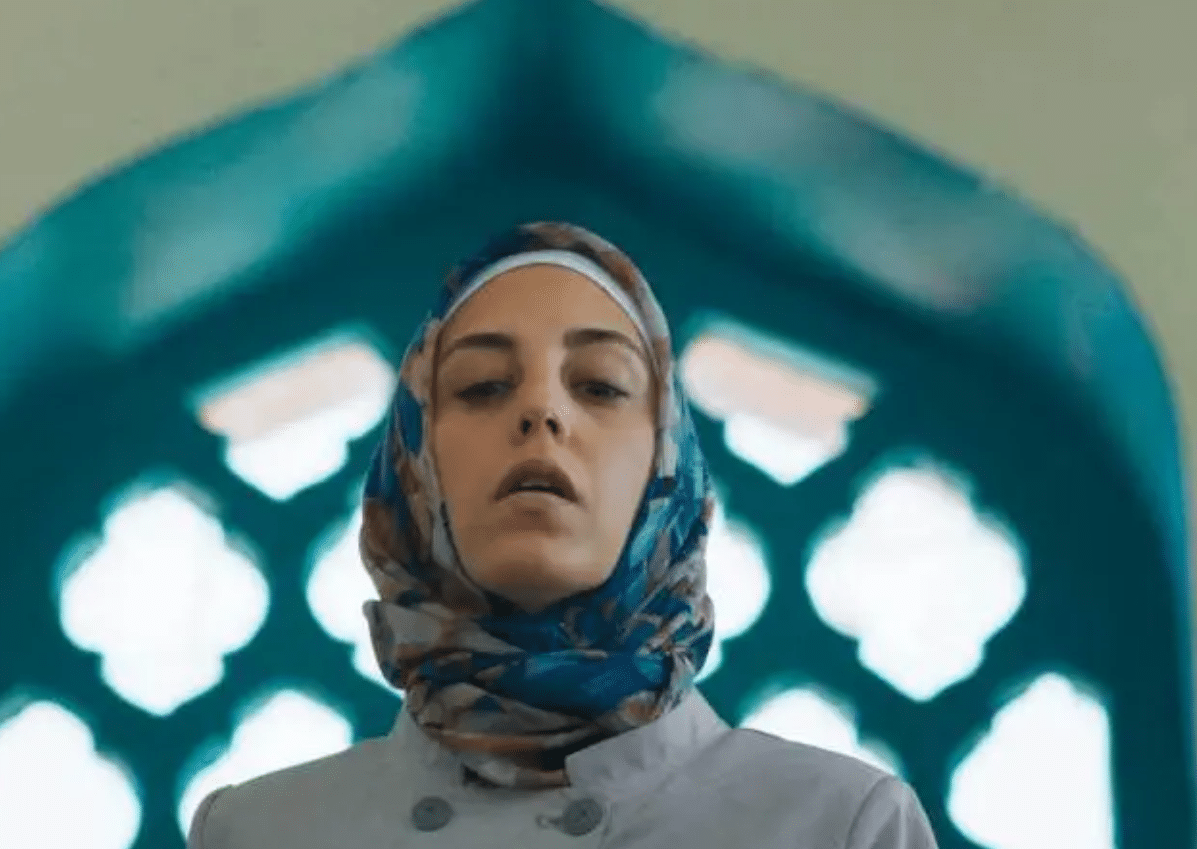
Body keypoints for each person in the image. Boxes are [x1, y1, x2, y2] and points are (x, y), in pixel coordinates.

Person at [187, 222, 940, 848]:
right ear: (412, 464)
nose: (542, 410)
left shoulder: (839, 825)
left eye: (601, 385)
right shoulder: (256, 833)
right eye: (482, 386)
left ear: (668, 463)